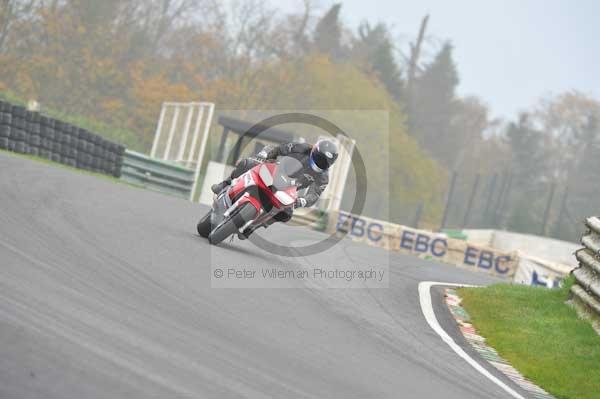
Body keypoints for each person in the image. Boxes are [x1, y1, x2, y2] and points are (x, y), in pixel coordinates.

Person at [211, 139, 338, 238]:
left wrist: (302, 201)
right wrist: (263, 155)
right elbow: (278, 149)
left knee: (286, 214)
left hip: (289, 189)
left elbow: (314, 194)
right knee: (248, 163)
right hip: (274, 170)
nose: (320, 162)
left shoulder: (323, 177)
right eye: (319, 157)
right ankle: (225, 183)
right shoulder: (301, 148)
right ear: (314, 150)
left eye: (324, 162)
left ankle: (255, 226)